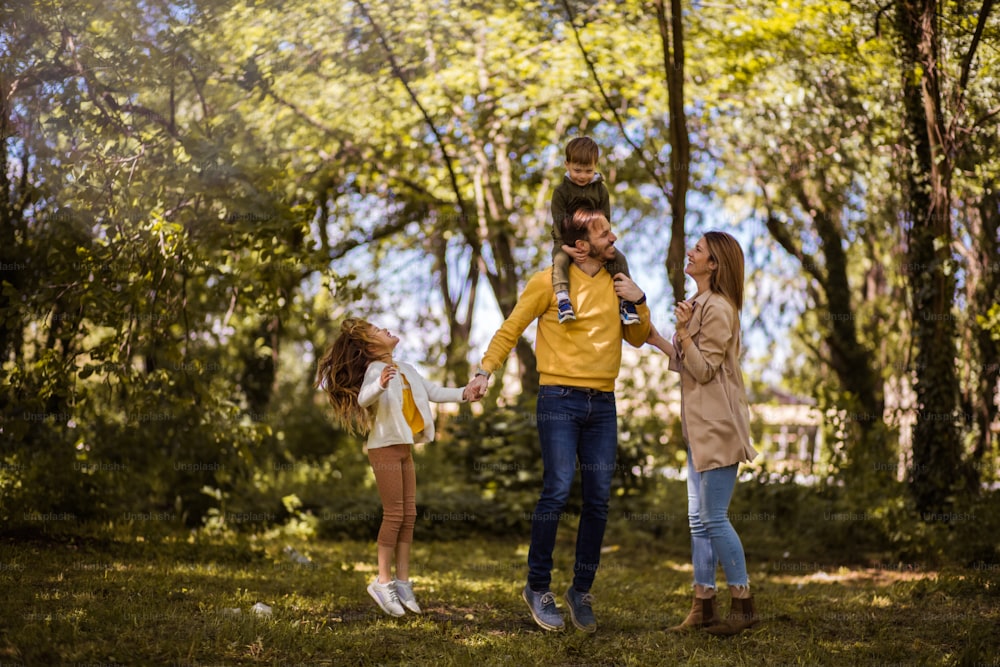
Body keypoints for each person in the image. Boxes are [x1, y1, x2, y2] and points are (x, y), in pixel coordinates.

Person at [466, 203, 651, 633]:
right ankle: (537, 586)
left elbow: (639, 338)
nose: (614, 238)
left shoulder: (616, 283)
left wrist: (638, 299)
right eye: (605, 233)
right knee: (557, 489)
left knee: (599, 499)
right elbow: (510, 327)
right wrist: (484, 370)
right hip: (559, 400)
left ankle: (580, 590)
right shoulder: (548, 283)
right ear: (581, 246)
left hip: (603, 404)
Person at [315, 318, 480, 617]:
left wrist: (464, 393)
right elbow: (365, 398)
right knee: (394, 515)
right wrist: (379, 385)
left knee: (409, 514)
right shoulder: (375, 371)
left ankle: (403, 582)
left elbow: (433, 391)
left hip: (403, 450)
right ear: (369, 346)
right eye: (378, 331)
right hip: (383, 450)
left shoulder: (406, 368)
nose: (386, 330)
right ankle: (383, 582)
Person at [645, 231, 760, 636]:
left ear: (714, 264)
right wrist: (658, 338)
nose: (690, 254)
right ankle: (704, 605)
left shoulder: (720, 309)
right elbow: (689, 365)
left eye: (698, 250)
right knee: (697, 520)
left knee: (713, 517)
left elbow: (707, 369)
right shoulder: (699, 304)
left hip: (720, 426)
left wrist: (686, 332)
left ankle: (743, 605)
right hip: (699, 428)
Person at [550, 137, 639, 326]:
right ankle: (563, 299)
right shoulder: (561, 192)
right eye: (577, 170)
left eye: (588, 171)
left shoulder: (600, 190)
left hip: (594, 237)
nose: (582, 176)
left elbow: (606, 219)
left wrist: (602, 242)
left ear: (595, 166)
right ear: (567, 165)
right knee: (559, 260)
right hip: (566, 240)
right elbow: (557, 221)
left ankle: (626, 302)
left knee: (619, 258)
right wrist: (566, 247)